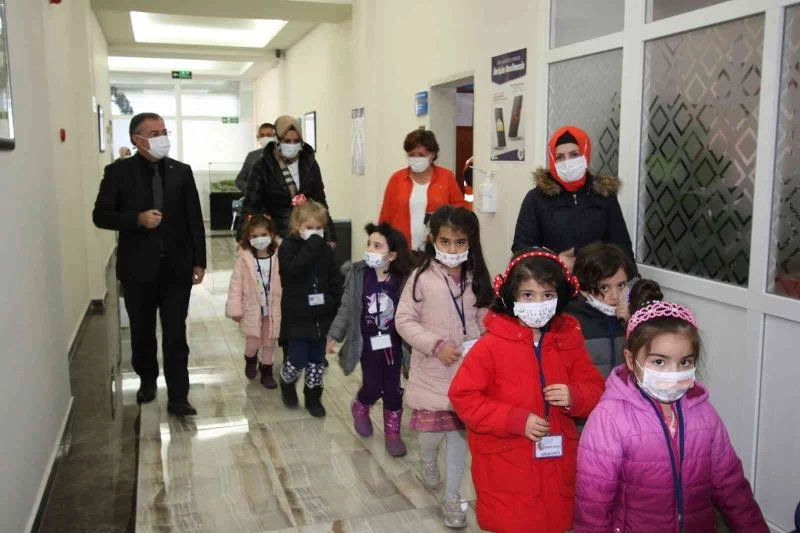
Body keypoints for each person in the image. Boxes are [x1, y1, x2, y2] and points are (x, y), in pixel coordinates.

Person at [574, 280, 768, 532]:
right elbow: (593, 504)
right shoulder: (609, 418)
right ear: (631, 361)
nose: (673, 373)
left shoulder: (704, 414)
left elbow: (732, 487)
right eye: (659, 362)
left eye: (685, 362)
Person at [449, 249, 605, 533]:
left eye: (547, 295)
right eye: (528, 295)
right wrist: (514, 420)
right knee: (515, 522)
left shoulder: (568, 340)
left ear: (560, 296)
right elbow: (463, 397)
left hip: (557, 461)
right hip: (508, 464)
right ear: (511, 297)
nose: (538, 304)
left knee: (553, 520)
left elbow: (595, 388)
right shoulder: (490, 346)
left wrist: (575, 396)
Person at [93, 112, 205, 416]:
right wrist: (137, 219)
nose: (162, 138)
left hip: (176, 268)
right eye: (154, 134)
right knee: (142, 332)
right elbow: (101, 215)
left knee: (175, 333)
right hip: (137, 269)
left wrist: (199, 261)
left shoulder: (181, 171)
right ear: (137, 139)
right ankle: (147, 380)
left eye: (164, 132)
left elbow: (194, 219)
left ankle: (179, 395)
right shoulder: (117, 173)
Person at [395, 205, 493, 529]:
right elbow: (403, 320)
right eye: (446, 241)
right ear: (433, 240)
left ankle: (452, 497)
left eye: (460, 242)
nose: (452, 249)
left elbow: (485, 319)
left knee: (458, 435)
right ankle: (426, 458)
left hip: (468, 375)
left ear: (470, 242)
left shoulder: (476, 278)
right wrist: (435, 345)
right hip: (433, 372)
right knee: (431, 435)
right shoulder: (420, 278)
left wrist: (485, 341)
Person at [326, 222, 415, 456]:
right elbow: (346, 309)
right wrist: (334, 335)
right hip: (367, 343)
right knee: (373, 386)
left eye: (377, 246)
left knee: (393, 389)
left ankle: (393, 434)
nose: (370, 250)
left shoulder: (403, 280)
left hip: (394, 344)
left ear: (392, 255)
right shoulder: (358, 276)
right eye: (369, 244)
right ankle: (361, 405)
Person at [511, 125, 634, 270]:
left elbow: (622, 248)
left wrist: (632, 282)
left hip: (596, 280)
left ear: (585, 153)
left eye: (574, 155)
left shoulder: (604, 195)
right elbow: (521, 248)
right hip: (552, 280)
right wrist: (555, 261)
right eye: (560, 157)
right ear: (552, 160)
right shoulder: (536, 198)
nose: (567, 162)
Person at [277, 199, 343, 417]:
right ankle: (287, 380)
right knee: (297, 358)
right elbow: (292, 271)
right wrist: (311, 247)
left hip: (320, 316)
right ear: (297, 226)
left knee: (317, 361)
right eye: (309, 227)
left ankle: (313, 396)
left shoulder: (325, 250)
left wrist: (336, 303)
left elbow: (333, 278)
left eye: (319, 228)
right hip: (297, 315)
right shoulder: (288, 247)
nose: (315, 233)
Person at [243, 116, 336, 245]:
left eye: (296, 141)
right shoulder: (262, 166)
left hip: (307, 234)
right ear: (277, 140)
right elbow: (250, 205)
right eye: (287, 141)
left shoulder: (310, 164)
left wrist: (330, 237)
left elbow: (320, 202)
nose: (292, 145)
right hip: (275, 237)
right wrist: (243, 240)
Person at [379, 129, 464, 252]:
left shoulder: (447, 177)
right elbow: (385, 217)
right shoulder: (396, 179)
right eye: (412, 154)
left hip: (437, 250)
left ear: (433, 154)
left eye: (422, 155)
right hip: (402, 250)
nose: (416, 158)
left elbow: (459, 212)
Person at [226, 213, 282, 389]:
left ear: (271, 235)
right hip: (252, 310)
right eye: (255, 236)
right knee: (253, 342)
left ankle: (267, 371)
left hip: (273, 310)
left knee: (269, 342)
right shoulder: (244, 261)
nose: (259, 239)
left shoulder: (279, 257)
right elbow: (235, 285)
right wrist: (235, 309)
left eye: (263, 235)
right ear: (249, 238)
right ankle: (250, 359)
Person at [567, 242, 638, 378]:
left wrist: (631, 324)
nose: (615, 296)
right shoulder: (570, 321)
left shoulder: (634, 316)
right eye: (604, 288)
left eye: (621, 285)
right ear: (583, 289)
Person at [235, 122, 274, 192]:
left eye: (268, 135)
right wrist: (251, 190)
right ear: (258, 138)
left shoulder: (283, 156)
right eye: (262, 135)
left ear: (275, 137)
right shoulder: (252, 156)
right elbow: (239, 180)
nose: (265, 138)